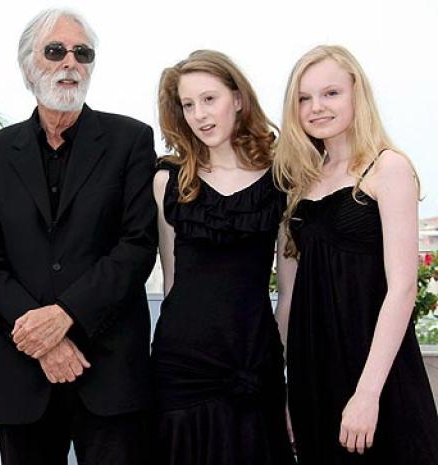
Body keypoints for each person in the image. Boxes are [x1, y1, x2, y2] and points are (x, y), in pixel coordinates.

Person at [0, 8, 157, 465]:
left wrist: (67, 315)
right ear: (29, 65)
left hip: (110, 375)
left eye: (82, 53)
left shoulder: (131, 141)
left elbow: (137, 244)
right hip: (22, 374)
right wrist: (41, 335)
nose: (71, 62)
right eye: (56, 51)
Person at [274, 44, 438, 465]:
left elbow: (402, 288)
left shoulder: (388, 168)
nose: (316, 107)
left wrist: (368, 393)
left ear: (356, 93)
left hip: (376, 374)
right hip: (313, 374)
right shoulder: (296, 185)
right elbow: (289, 298)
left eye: (330, 93)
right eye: (304, 98)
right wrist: (286, 390)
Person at [152, 50, 295, 465]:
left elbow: (287, 291)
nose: (199, 114)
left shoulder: (281, 180)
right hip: (181, 368)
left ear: (237, 98)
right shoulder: (168, 181)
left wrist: (278, 368)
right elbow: (172, 282)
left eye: (209, 99)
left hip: (253, 363)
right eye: (188, 104)